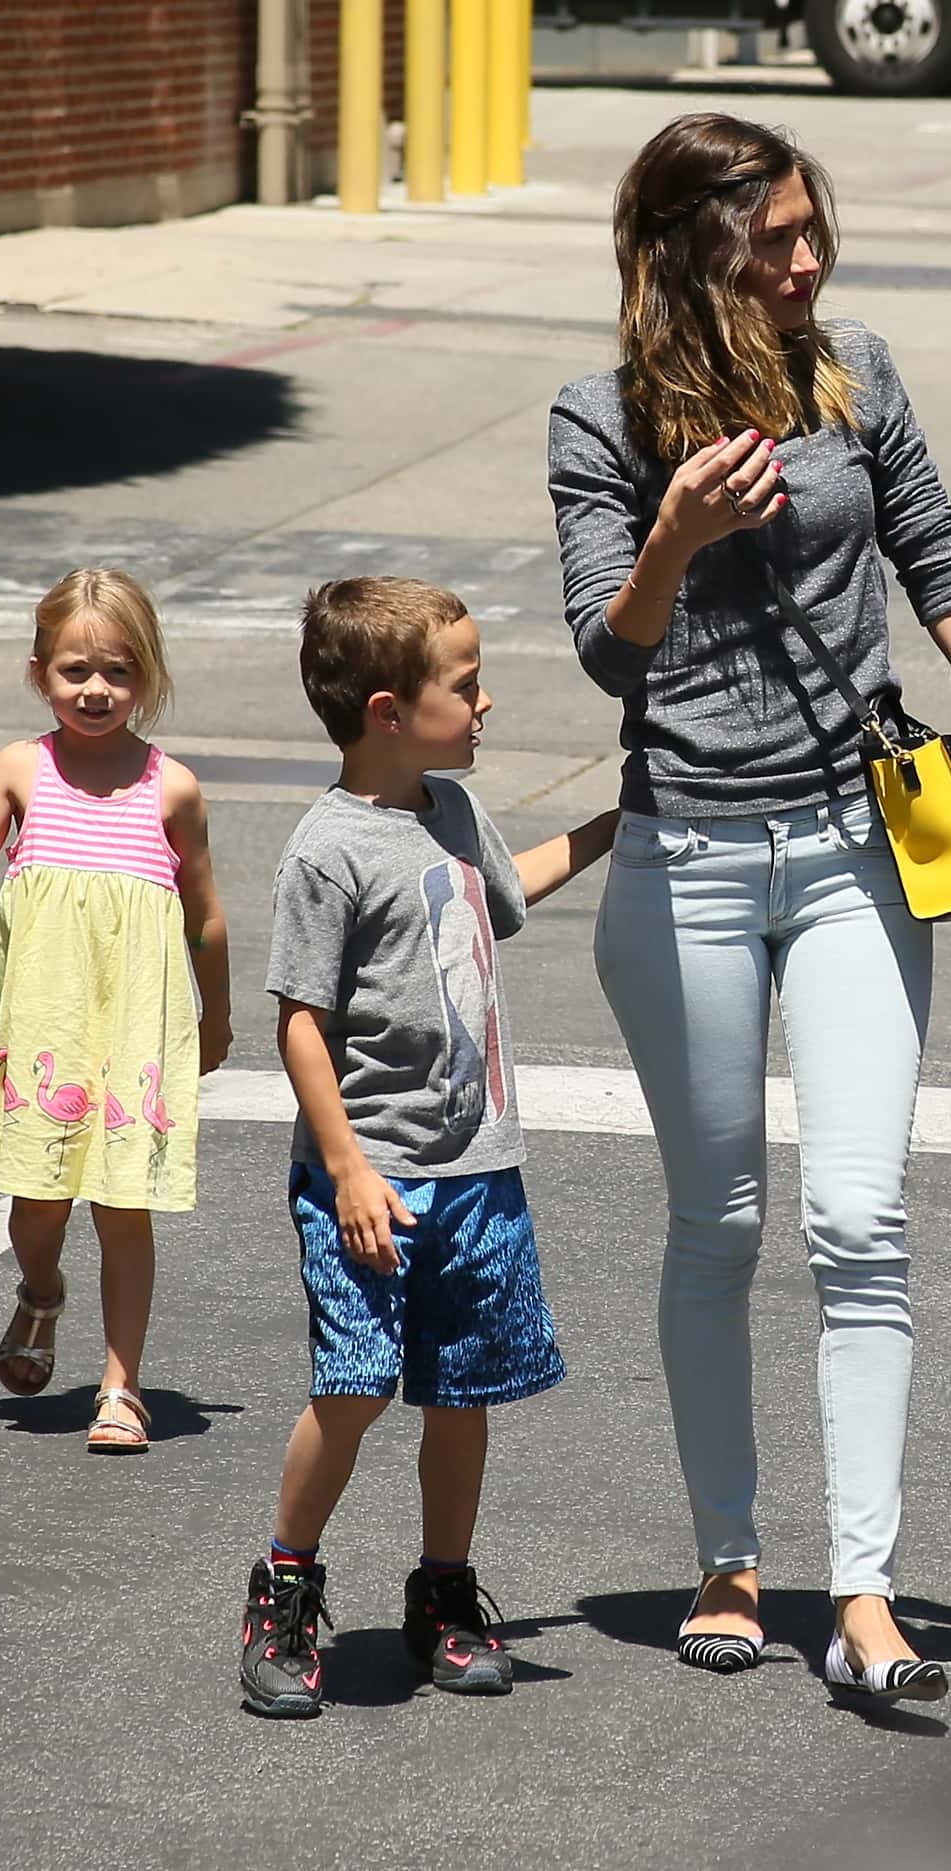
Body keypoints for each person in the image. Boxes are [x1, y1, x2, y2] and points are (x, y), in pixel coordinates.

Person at [546, 112, 951, 1700]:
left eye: (811, 231)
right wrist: (675, 533)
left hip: (856, 845)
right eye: (773, 242)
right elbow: (605, 651)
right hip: (684, 856)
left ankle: (868, 1589)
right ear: (692, 251)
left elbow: (939, 560)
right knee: (722, 1220)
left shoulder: (857, 376)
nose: (807, 261)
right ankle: (726, 1553)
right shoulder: (600, 418)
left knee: (860, 1220)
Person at [236, 578, 616, 1719]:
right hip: (373, 1178)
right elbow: (298, 1018)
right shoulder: (326, 850)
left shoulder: (451, 809)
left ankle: (444, 1592)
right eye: (467, 681)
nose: (486, 698)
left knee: (464, 1391)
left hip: (478, 1168)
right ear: (392, 707)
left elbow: (510, 891)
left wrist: (613, 823)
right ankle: (286, 1584)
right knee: (352, 1388)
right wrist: (347, 1167)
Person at [0, 569, 231, 1452]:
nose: (95, 689)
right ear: (41, 673)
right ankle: (40, 1290)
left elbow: (206, 918)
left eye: (116, 670)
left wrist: (216, 1019)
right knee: (37, 1203)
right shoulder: (20, 768)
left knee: (124, 1205)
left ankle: (122, 1387)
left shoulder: (173, 788)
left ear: (145, 676)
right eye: (75, 669)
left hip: (138, 1032)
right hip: (47, 1028)